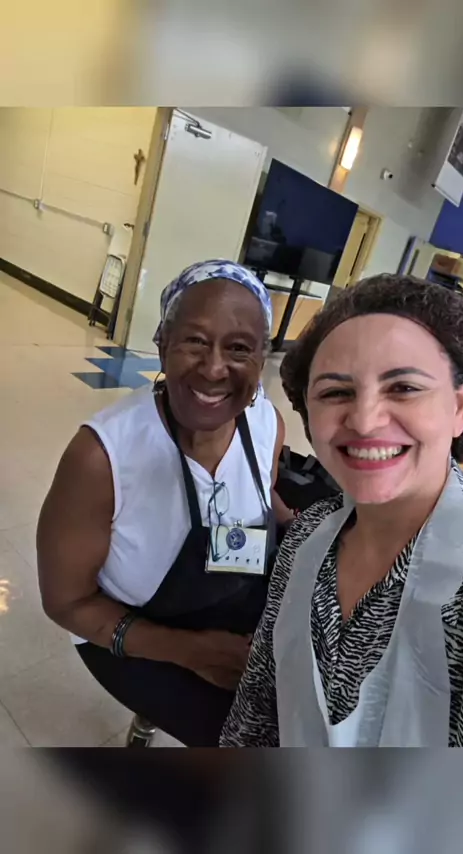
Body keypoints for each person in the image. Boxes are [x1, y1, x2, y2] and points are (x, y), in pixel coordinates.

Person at [37, 259, 292, 747]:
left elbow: (262, 487)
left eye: (239, 348)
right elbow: (66, 603)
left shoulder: (265, 422)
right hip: (128, 630)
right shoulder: (101, 456)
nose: (214, 368)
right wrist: (189, 651)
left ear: (262, 359)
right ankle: (149, 717)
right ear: (162, 345)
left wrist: (294, 524)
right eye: (195, 341)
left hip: (233, 600)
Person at [220, 273, 463, 747]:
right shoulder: (306, 540)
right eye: (336, 392)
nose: (364, 421)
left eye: (404, 387)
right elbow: (257, 707)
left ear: (461, 404)